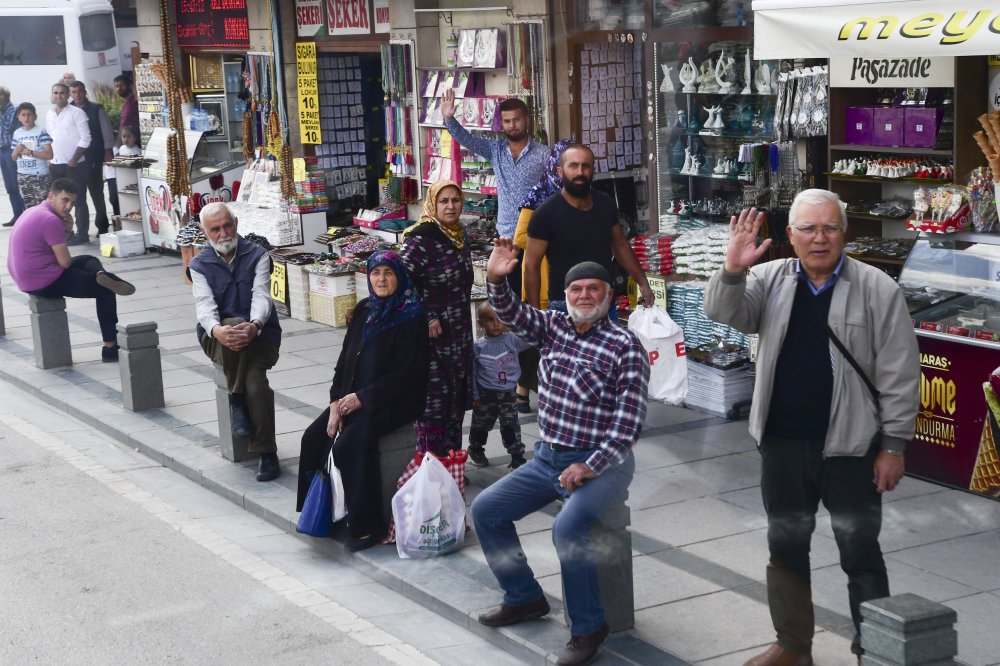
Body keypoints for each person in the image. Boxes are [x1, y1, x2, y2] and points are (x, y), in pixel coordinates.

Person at [702, 190, 920, 666]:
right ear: (791, 236)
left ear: (845, 233)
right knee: (785, 548)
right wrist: (732, 270)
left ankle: (875, 649)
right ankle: (794, 645)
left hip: (853, 449)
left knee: (860, 552)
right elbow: (722, 312)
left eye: (829, 228)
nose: (819, 239)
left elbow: (901, 373)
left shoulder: (878, 288)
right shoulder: (767, 278)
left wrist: (894, 446)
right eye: (808, 229)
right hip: (782, 445)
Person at [471, 242, 649, 666]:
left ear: (608, 296)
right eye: (576, 290)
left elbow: (629, 425)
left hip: (603, 464)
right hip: (548, 459)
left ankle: (589, 628)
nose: (584, 295)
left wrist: (589, 465)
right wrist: (496, 279)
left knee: (567, 530)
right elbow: (513, 312)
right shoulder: (554, 327)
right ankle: (524, 596)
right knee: (486, 510)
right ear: (566, 296)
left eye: (594, 289)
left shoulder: (626, 346)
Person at [296, 250, 428, 552]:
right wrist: (335, 403)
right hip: (353, 396)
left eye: (389, 273)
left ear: (399, 277)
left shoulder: (411, 316)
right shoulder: (365, 309)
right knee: (314, 437)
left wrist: (361, 399)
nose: (381, 279)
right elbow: (345, 361)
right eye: (376, 273)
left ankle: (369, 526)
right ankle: (320, 512)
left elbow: (406, 374)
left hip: (397, 399)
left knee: (350, 444)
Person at [188, 202, 283, 482]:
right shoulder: (199, 264)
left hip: (261, 336)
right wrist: (217, 330)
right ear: (206, 233)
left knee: (255, 382)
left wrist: (254, 326)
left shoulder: (257, 255)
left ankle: (237, 398)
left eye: (227, 225)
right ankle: (267, 453)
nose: (223, 233)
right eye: (215, 229)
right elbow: (204, 308)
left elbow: (262, 297)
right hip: (217, 339)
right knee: (229, 325)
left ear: (237, 223)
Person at [6, 178, 135, 361]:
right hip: (42, 280)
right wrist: (66, 229)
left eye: (72, 203)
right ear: (51, 196)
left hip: (25, 276)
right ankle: (111, 347)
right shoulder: (50, 219)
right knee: (105, 291)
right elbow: (65, 263)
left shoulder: (34, 210)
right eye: (64, 200)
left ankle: (99, 274)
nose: (68, 207)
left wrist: (65, 229)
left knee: (88, 259)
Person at [523, 143, 654, 313]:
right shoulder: (545, 213)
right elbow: (531, 265)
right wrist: (535, 316)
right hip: (565, 306)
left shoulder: (605, 203)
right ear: (560, 172)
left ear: (593, 169)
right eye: (573, 166)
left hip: (604, 304)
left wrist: (643, 283)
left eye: (586, 166)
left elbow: (620, 246)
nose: (580, 172)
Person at [440, 89, 547, 293]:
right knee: (509, 293)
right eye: (507, 121)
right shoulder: (495, 150)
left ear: (527, 120)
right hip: (506, 236)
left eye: (516, 120)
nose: (512, 125)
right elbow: (467, 139)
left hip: (535, 235)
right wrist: (448, 118)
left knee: (535, 291)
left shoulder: (543, 154)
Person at [400, 180, 474, 455]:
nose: (451, 206)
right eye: (444, 201)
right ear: (432, 204)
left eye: (455, 200)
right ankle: (430, 465)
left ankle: (452, 462)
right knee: (434, 405)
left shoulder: (458, 235)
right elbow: (400, 283)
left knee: (456, 399)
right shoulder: (421, 239)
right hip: (433, 337)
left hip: (460, 332)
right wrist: (427, 316)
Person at [511, 138, 572, 412]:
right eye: (566, 164)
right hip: (544, 279)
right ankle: (522, 390)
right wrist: (553, 239)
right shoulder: (539, 193)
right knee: (539, 338)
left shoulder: (580, 195)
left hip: (573, 279)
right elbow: (520, 236)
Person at [467, 301, 531, 469]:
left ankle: (517, 456)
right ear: (480, 323)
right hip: (485, 396)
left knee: (511, 426)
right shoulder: (477, 347)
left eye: (500, 319)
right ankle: (476, 448)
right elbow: (473, 373)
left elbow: (532, 335)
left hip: (508, 394)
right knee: (480, 426)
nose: (496, 324)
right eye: (490, 319)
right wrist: (474, 395)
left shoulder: (513, 340)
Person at [45, 82, 91, 246]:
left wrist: (75, 159)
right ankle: (65, 232)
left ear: (68, 95)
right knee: (56, 201)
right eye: (55, 93)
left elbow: (86, 138)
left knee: (77, 200)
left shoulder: (77, 113)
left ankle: (82, 234)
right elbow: (49, 137)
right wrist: (49, 158)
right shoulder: (49, 113)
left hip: (74, 165)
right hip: (56, 163)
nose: (59, 96)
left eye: (62, 93)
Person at [68, 80, 114, 238]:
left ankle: (102, 226)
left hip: (93, 157)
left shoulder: (96, 109)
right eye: (74, 92)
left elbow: (106, 132)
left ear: (84, 92)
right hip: (75, 160)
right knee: (78, 196)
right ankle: (82, 230)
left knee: (97, 193)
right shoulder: (67, 110)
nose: (77, 94)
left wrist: (107, 152)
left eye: (80, 91)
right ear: (70, 94)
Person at [10, 102, 53, 211]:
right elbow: (14, 157)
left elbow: (49, 154)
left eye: (29, 114)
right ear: (19, 117)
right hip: (23, 176)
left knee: (43, 208)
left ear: (35, 117)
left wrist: (29, 152)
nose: (26, 117)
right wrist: (16, 151)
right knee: (29, 209)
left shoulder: (41, 132)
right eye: (23, 115)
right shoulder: (17, 133)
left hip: (39, 176)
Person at [0, 86, 26, 225]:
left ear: (6, 96)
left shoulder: (13, 110)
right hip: (1, 151)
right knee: (9, 187)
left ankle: (23, 215)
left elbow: (8, 128)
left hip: (12, 150)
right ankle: (16, 216)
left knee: (17, 186)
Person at [115, 73, 140, 149]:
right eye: (117, 86)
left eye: (122, 85)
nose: (119, 88)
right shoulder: (124, 102)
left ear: (129, 85)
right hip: (125, 145)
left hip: (136, 145)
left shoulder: (135, 102)